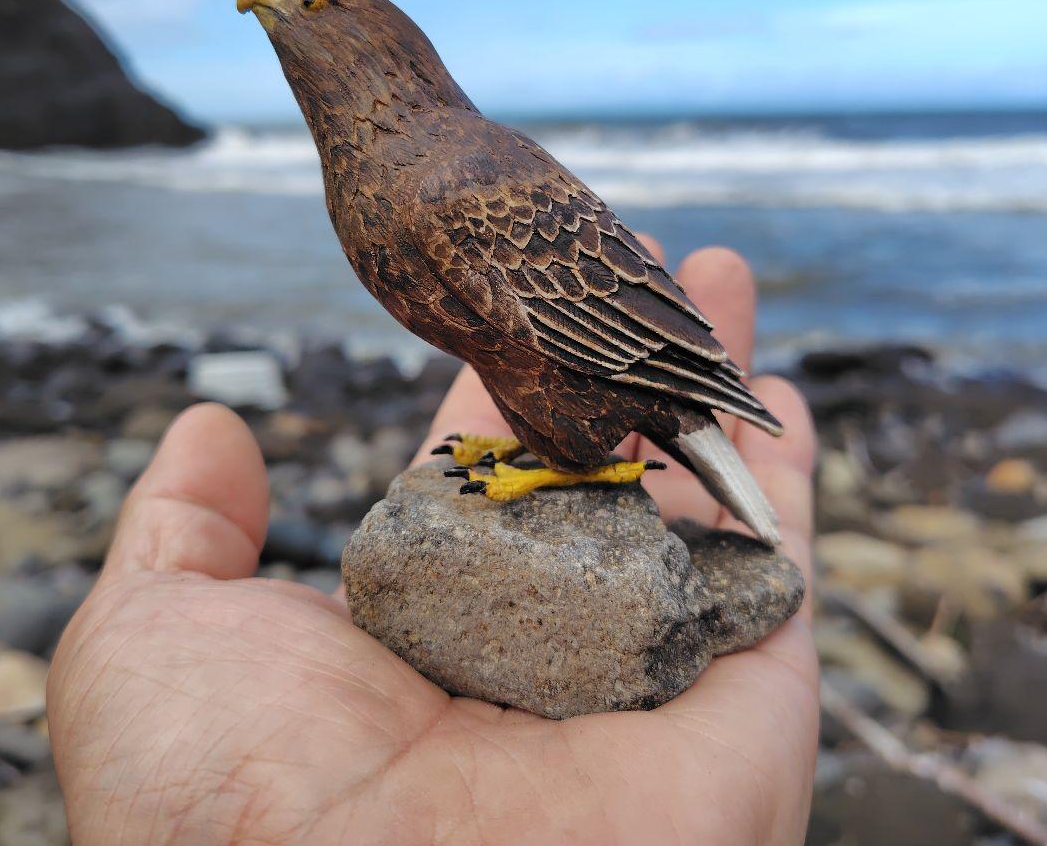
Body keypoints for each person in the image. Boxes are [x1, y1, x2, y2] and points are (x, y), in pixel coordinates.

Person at [47, 245, 819, 844]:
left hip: (619, 400)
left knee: (554, 416)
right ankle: (561, 461)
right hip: (575, 434)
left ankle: (567, 462)